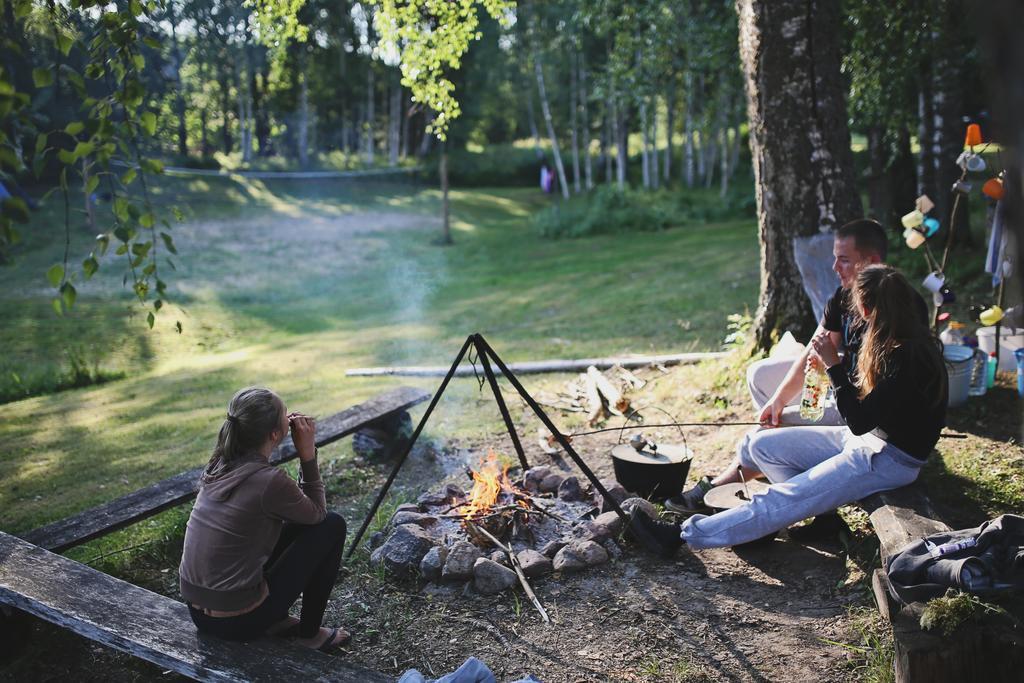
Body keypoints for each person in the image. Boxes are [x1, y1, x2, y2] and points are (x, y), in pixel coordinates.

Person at [630, 265, 948, 555]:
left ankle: (680, 536)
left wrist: (833, 366)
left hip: (889, 458)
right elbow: (866, 416)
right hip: (868, 441)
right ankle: (810, 516)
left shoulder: (909, 357)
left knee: (785, 496)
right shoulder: (893, 339)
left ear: (866, 309)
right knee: (761, 446)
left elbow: (859, 420)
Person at [666, 219, 925, 535]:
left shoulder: (899, 307)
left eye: (843, 259)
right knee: (760, 377)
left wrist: (834, 368)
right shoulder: (844, 296)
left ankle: (731, 480)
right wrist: (778, 400)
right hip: (844, 392)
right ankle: (792, 483)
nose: (834, 267)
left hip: (865, 413)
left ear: (869, 261)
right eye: (834, 257)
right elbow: (816, 350)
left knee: (766, 437)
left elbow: (874, 400)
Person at [178, 387, 351, 651]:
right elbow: (318, 515)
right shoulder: (269, 482)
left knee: (287, 526)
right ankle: (310, 635)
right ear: (274, 434)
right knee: (332, 525)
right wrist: (307, 454)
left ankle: (275, 619)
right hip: (237, 621)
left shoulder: (219, 462)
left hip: (199, 614)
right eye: (284, 413)